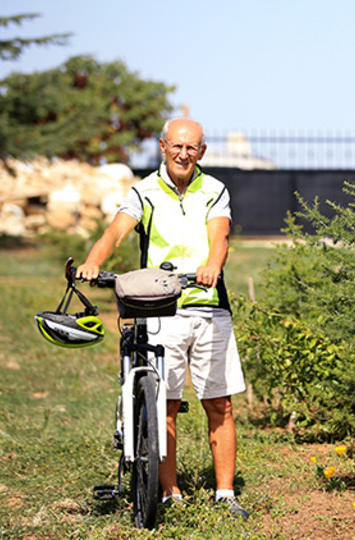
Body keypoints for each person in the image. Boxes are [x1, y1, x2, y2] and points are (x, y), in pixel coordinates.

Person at [76, 117, 250, 520]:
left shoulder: (214, 190)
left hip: (208, 306)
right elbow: (116, 232)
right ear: (162, 146)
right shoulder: (144, 191)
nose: (183, 153)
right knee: (165, 403)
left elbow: (219, 235)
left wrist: (212, 265)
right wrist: (92, 262)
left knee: (219, 403)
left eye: (192, 147)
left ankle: (225, 493)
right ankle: (169, 491)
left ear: (202, 151)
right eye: (177, 146)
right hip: (160, 307)